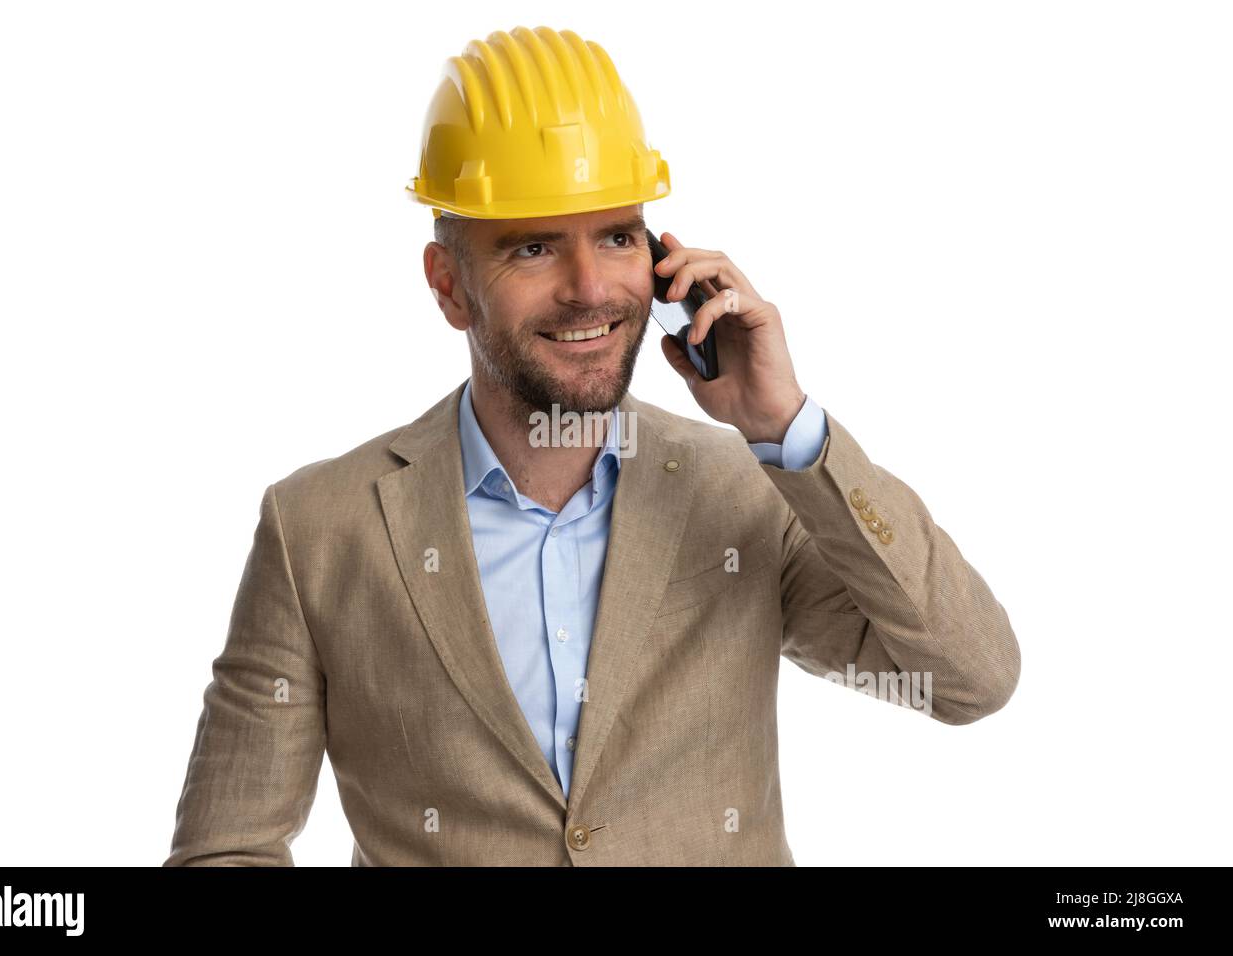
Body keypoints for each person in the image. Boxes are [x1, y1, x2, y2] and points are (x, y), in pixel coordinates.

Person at [164, 25, 1020, 867]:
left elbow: (969, 679)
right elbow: (225, 847)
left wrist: (786, 428)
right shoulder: (317, 529)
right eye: (533, 247)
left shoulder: (747, 493)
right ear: (449, 286)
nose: (589, 290)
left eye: (616, 236)